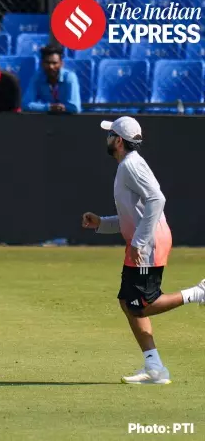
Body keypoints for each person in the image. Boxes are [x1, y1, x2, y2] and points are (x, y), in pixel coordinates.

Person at [82, 116, 205, 385]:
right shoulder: (127, 166)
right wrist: (102, 223)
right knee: (128, 303)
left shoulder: (130, 166)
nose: (106, 138)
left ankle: (199, 293)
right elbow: (132, 216)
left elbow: (157, 199)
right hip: (141, 241)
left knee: (141, 306)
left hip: (149, 243)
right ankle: (155, 368)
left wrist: (140, 241)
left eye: (110, 134)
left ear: (118, 141)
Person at [22, 45, 81, 114]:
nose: (51, 67)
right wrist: (49, 107)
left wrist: (57, 108)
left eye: (54, 63)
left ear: (61, 64)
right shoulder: (37, 77)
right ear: (41, 64)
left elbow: (75, 107)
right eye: (47, 63)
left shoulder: (70, 77)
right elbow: (26, 104)